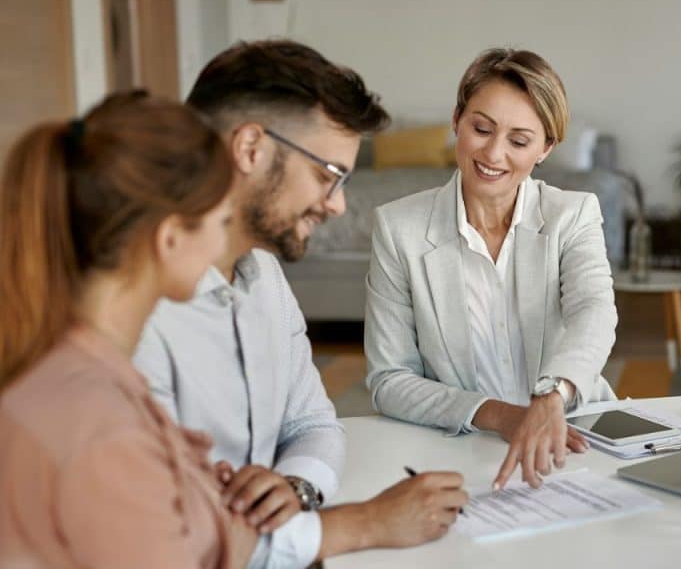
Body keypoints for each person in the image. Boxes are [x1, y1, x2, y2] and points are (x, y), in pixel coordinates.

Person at [0, 92, 467, 569]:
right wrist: (364, 524)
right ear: (170, 239)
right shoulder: (98, 421)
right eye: (223, 221)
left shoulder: (92, 380)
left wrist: (207, 497)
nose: (235, 246)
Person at [130, 40, 464, 567]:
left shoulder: (263, 275)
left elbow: (314, 424)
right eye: (329, 175)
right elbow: (160, 540)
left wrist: (296, 489)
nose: (337, 205)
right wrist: (365, 524)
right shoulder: (134, 315)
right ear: (250, 149)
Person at [364, 48, 618, 491]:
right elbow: (389, 380)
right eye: (481, 128)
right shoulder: (398, 227)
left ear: (546, 148)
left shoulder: (573, 214)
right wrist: (502, 415)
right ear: (457, 120)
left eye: (519, 141)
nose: (493, 154)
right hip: (459, 449)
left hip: (574, 440)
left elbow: (593, 311)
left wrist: (551, 397)